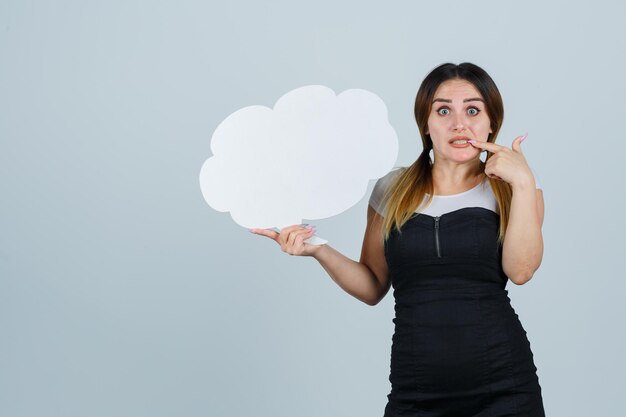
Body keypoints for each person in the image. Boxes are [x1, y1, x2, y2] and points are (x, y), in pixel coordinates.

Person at [250, 62, 546, 417]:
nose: (459, 124)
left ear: (491, 121)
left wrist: (525, 183)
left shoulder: (516, 190)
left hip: (505, 386)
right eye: (443, 110)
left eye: (472, 109)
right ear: (425, 122)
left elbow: (522, 270)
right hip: (416, 388)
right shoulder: (392, 189)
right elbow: (373, 285)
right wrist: (319, 250)